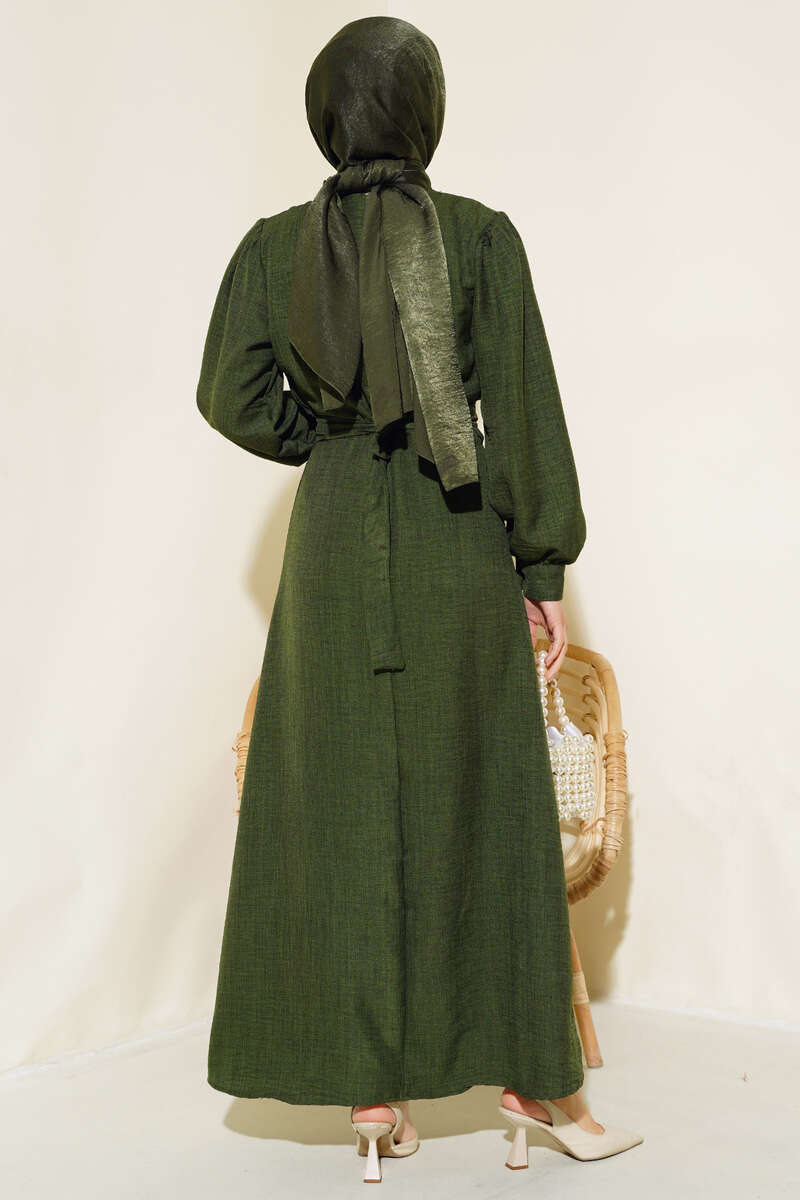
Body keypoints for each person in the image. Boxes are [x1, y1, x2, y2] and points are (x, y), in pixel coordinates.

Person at [196, 14, 643, 1183]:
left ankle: (370, 1093)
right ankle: (533, 1081)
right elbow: (523, 410)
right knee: (485, 804)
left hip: (335, 542)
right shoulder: (479, 239)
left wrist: (326, 439)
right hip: (455, 535)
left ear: (323, 115)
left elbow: (228, 392)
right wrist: (540, 569)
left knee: (336, 803)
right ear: (426, 111)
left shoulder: (272, 248)